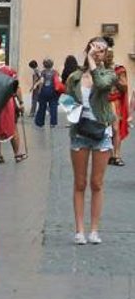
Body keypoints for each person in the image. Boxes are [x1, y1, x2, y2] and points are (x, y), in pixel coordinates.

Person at [65, 37, 118, 245]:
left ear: (107, 54)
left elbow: (102, 83)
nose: (97, 52)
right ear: (87, 49)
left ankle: (94, 230)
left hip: (101, 134)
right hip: (80, 132)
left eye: (101, 50)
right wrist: (73, 111)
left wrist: (94, 64)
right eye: (93, 48)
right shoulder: (75, 77)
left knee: (97, 183)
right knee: (80, 182)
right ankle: (80, 229)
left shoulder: (109, 74)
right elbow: (66, 100)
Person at [0, 62, 26, 163]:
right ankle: (17, 154)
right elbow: (16, 87)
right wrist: (21, 102)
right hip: (7, 102)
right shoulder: (9, 70)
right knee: (13, 126)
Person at [105, 47, 129, 166]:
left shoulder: (118, 69)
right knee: (105, 130)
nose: (108, 57)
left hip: (114, 102)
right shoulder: (98, 69)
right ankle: (109, 154)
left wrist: (116, 80)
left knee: (115, 129)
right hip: (101, 102)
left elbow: (124, 87)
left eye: (110, 55)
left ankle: (117, 155)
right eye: (106, 54)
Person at [33, 58, 60, 127]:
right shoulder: (55, 72)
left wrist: (39, 91)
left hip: (44, 90)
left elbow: (41, 81)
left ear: (44, 65)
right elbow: (59, 81)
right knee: (53, 107)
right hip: (53, 91)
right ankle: (53, 123)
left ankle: (40, 122)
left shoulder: (43, 72)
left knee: (42, 106)